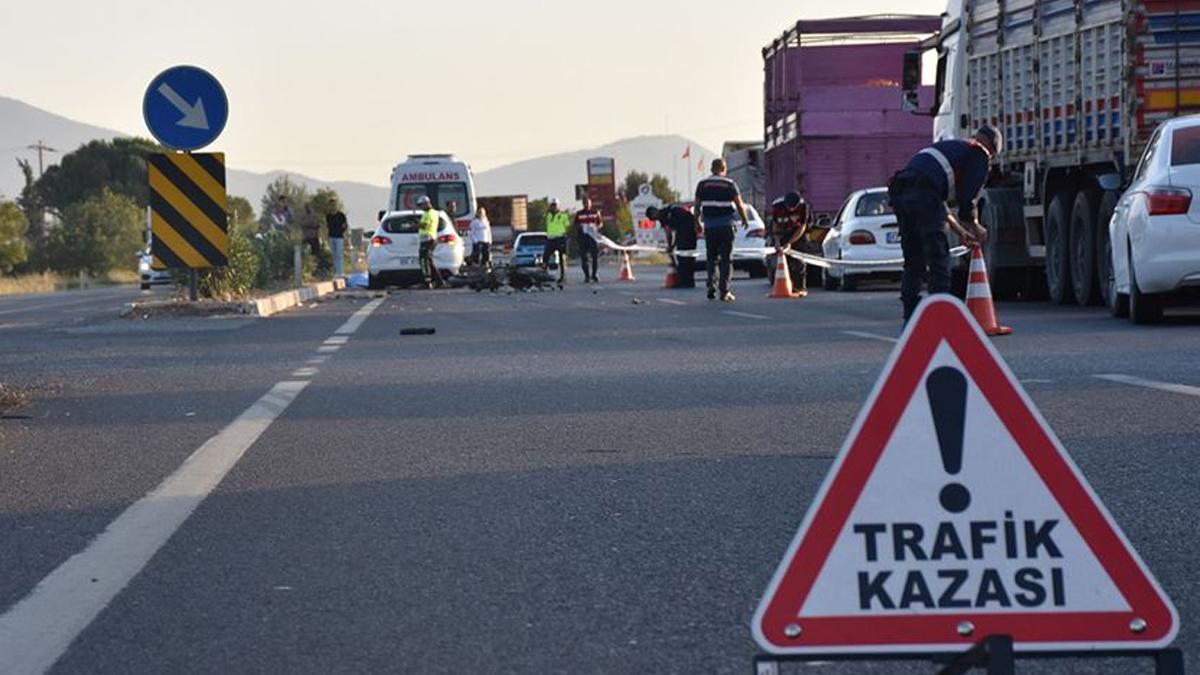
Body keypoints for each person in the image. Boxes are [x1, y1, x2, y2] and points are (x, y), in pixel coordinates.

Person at [888, 126, 998, 322]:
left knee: (914, 262)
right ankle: (940, 318)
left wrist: (960, 231)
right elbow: (967, 196)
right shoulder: (979, 153)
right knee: (939, 259)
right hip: (923, 194)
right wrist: (975, 225)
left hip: (901, 192)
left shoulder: (952, 148)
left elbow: (938, 204)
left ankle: (910, 317)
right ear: (992, 149)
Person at [695, 158, 749, 301]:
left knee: (711, 258)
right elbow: (739, 204)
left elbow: (697, 206)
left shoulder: (702, 184)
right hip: (726, 226)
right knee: (726, 259)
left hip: (710, 227)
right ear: (724, 169)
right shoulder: (730, 184)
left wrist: (697, 222)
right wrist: (744, 219)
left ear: (712, 169)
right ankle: (724, 291)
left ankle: (711, 286)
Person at [647, 204, 698, 288]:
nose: (655, 220)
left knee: (682, 258)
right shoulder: (667, 210)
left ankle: (684, 282)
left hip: (685, 229)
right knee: (689, 257)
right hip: (691, 228)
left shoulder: (662, 216)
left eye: (653, 218)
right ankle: (690, 282)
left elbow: (668, 233)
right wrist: (673, 245)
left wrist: (670, 246)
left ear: (653, 213)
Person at [771, 191, 812, 297]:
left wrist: (790, 243)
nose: (791, 209)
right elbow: (775, 224)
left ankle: (800, 288)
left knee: (799, 261)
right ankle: (789, 286)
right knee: (785, 260)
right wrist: (777, 241)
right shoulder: (777, 206)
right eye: (789, 207)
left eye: (793, 208)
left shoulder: (803, 207)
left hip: (797, 234)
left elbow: (802, 227)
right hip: (783, 231)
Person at [416, 195, 446, 289]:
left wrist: (416, 224)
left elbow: (425, 226)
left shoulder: (428, 214)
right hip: (430, 238)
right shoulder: (433, 213)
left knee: (424, 261)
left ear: (426, 203)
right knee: (429, 261)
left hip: (427, 239)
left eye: (421, 205)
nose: (420, 207)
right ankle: (439, 281)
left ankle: (427, 281)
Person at [543, 198, 570, 286]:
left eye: (555, 205)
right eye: (552, 205)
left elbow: (568, 226)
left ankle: (563, 277)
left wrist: (565, 236)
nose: (553, 207)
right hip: (550, 238)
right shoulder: (548, 215)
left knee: (562, 258)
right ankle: (543, 275)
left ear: (558, 206)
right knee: (545, 257)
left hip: (560, 238)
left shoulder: (563, 215)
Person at [574, 196, 602, 283]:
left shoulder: (595, 212)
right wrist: (582, 226)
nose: (587, 204)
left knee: (595, 258)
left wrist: (595, 227)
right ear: (583, 204)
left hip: (593, 238)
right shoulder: (579, 213)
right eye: (585, 203)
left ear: (591, 203)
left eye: (588, 203)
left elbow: (600, 223)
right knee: (584, 258)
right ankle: (587, 276)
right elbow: (575, 224)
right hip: (583, 238)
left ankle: (594, 274)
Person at [326, 201, 348, 278]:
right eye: (331, 205)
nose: (333, 206)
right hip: (331, 236)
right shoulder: (328, 216)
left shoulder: (341, 215)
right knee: (334, 255)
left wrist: (342, 232)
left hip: (339, 237)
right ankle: (336, 272)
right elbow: (328, 226)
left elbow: (345, 225)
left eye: (334, 205)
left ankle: (341, 272)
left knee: (339, 254)